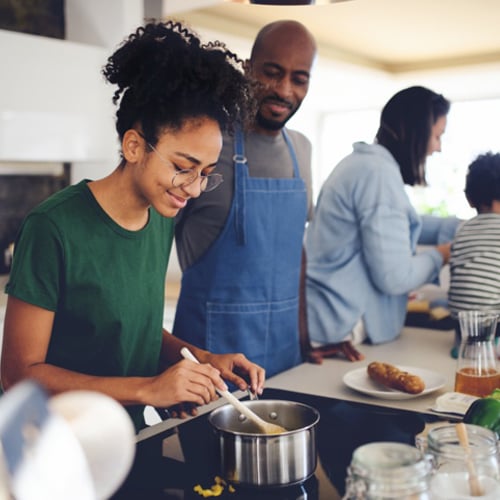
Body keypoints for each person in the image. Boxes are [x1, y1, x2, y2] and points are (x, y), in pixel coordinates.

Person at [0, 20, 265, 433]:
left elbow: (130, 327)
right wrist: (147, 390)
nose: (194, 189)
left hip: (126, 435)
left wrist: (200, 360)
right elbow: (17, 375)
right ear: (134, 145)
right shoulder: (53, 226)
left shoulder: (160, 217)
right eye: (183, 168)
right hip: (53, 444)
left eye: (206, 173)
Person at [173, 20, 361, 379]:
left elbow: (296, 252)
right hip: (210, 362)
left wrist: (305, 339)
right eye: (272, 73)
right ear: (248, 68)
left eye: (299, 78)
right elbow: (152, 252)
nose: (284, 90)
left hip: (285, 356)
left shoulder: (301, 149)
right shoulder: (206, 144)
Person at [305, 85, 460, 347]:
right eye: (437, 136)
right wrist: (442, 254)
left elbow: (399, 224)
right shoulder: (377, 175)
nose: (438, 147)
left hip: (330, 319)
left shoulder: (365, 165)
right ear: (416, 132)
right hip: (341, 327)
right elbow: (395, 277)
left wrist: (470, 227)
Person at [448, 152, 500, 357]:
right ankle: (492, 345)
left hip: (462, 327)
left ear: (469, 199)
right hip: (495, 327)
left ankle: (467, 345)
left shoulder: (461, 229)